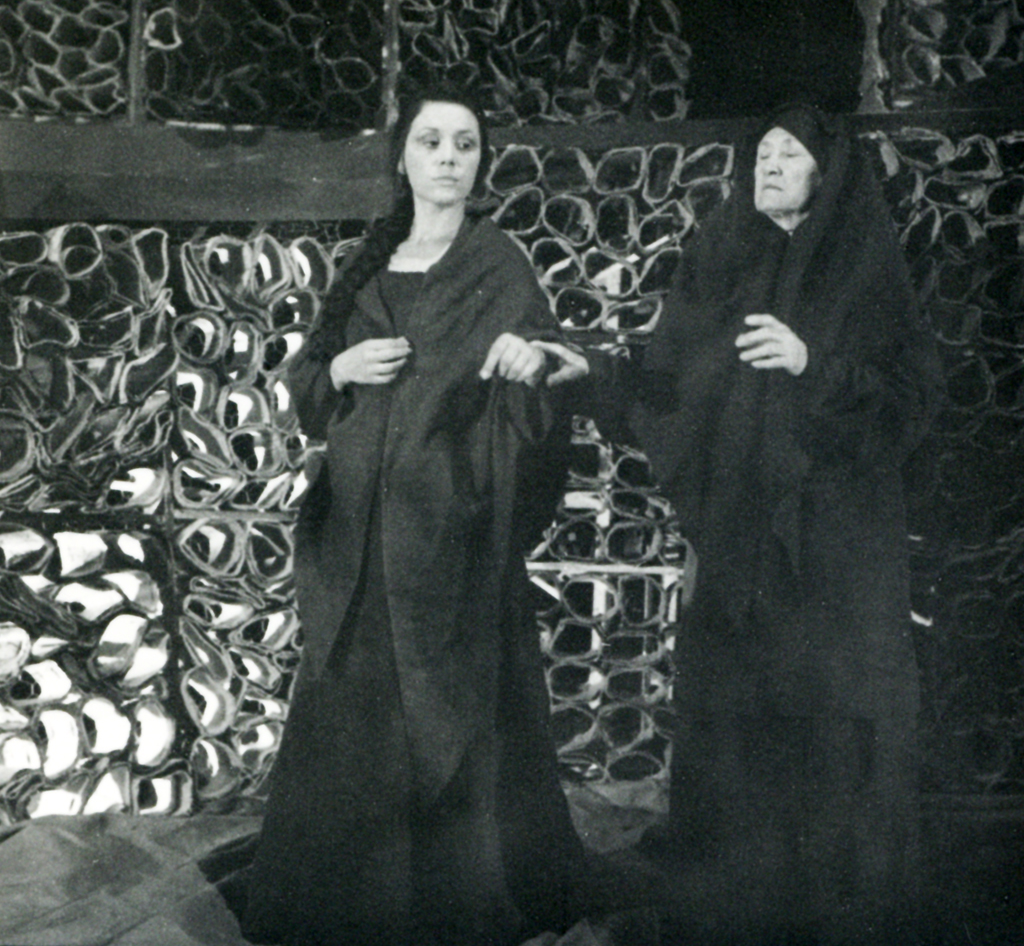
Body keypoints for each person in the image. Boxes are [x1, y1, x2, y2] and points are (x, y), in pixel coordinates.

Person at [235, 83, 591, 946]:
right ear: (402, 157)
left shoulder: (497, 263)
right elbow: (306, 387)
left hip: (448, 541)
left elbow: (549, 375)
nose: (447, 158)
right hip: (357, 539)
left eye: (464, 145)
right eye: (431, 142)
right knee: (351, 722)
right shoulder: (369, 262)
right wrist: (340, 369)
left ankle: (441, 909)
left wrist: (533, 360)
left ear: (480, 162)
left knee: (448, 722)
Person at [619, 105, 945, 944]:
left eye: (790, 153)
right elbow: (664, 384)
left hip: (841, 552)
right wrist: (589, 376)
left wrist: (813, 365)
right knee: (736, 720)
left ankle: (836, 909)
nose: (768, 164)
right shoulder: (724, 257)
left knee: (834, 719)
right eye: (761, 152)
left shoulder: (864, 270)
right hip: (741, 542)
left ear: (825, 175)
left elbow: (913, 402)